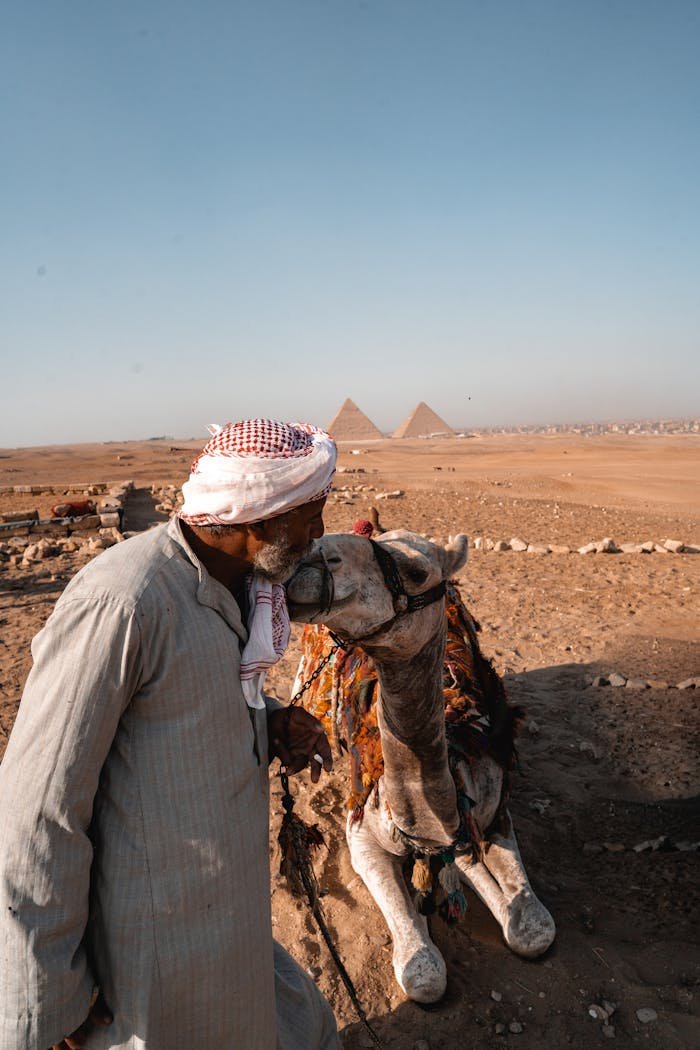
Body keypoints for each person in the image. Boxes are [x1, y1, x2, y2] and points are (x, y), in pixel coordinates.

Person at [0, 419, 341, 1049]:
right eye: (310, 515)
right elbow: (35, 806)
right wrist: (52, 998)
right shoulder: (125, 602)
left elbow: (174, 727)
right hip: (151, 944)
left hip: (227, 910)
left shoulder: (237, 586)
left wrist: (270, 725)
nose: (319, 534)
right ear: (258, 520)